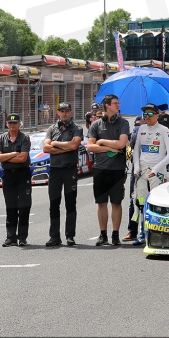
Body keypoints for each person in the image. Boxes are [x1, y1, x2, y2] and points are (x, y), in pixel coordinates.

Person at [86, 94, 131, 247]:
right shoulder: (96, 125)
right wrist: (107, 147)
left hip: (117, 169)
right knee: (101, 203)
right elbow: (90, 147)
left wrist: (102, 141)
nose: (118, 105)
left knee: (116, 203)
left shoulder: (123, 123)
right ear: (107, 105)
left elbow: (121, 145)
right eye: (115, 103)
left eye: (118, 102)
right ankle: (103, 234)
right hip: (100, 169)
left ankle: (115, 234)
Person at [129, 103, 169, 246]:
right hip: (142, 171)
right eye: (145, 114)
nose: (147, 117)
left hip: (157, 171)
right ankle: (143, 232)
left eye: (150, 114)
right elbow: (136, 151)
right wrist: (136, 168)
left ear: (157, 115)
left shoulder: (164, 130)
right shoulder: (141, 128)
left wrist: (156, 169)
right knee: (141, 203)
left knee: (156, 203)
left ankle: (158, 233)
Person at [43, 102, 83, 247]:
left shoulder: (77, 128)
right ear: (58, 112)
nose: (64, 113)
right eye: (62, 111)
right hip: (55, 170)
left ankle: (70, 236)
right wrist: (64, 147)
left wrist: (55, 144)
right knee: (54, 204)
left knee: (70, 204)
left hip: (69, 169)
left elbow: (74, 145)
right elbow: (46, 148)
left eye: (67, 111)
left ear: (71, 112)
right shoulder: (52, 128)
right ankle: (54, 236)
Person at [0, 113, 32, 247]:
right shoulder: (1, 138)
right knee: (10, 206)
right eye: (10, 123)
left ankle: (22, 237)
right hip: (8, 175)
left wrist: (6, 157)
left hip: (23, 174)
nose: (12, 125)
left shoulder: (25, 138)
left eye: (15, 123)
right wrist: (13, 154)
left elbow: (23, 158)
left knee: (23, 206)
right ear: (6, 124)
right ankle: (11, 237)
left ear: (19, 124)